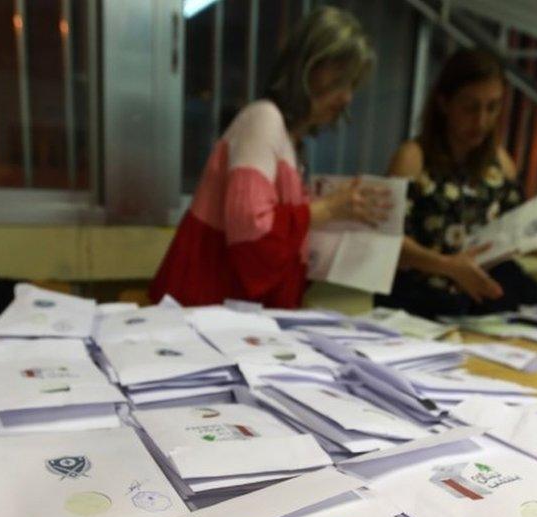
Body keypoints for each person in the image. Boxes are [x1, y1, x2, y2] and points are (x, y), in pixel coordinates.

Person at [150, 7, 390, 308]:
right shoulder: (263, 119)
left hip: (226, 319)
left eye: (352, 85)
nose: (347, 98)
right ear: (307, 67)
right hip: (204, 315)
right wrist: (328, 209)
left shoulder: (290, 143)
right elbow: (253, 234)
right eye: (341, 79)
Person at [376, 48, 537, 319]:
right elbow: (387, 241)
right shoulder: (413, 158)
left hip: (476, 310)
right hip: (414, 307)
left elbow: (518, 231)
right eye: (470, 107)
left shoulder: (499, 163)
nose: (481, 121)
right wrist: (447, 265)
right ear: (445, 103)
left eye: (492, 107)